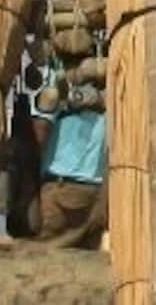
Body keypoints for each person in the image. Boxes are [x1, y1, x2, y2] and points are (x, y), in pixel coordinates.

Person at [28, 60, 109, 249]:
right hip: (96, 193)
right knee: (86, 253)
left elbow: (38, 136)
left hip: (61, 188)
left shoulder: (56, 97)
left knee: (42, 250)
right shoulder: (111, 102)